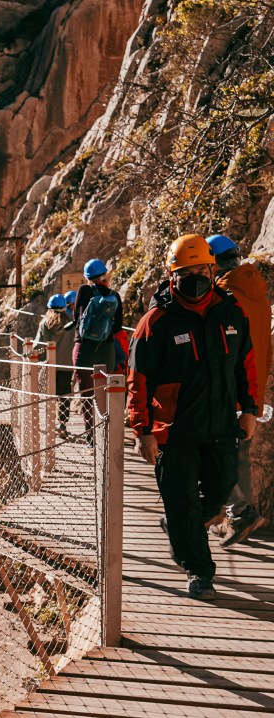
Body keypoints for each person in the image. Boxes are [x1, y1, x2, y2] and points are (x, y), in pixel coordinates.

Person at [128, 233, 259, 599]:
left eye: (201, 269)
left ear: (213, 269)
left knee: (221, 488)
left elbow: (245, 365)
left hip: (221, 426)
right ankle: (199, 571)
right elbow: (138, 380)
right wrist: (143, 431)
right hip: (173, 432)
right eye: (187, 271)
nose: (195, 277)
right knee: (181, 499)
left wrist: (249, 410)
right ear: (172, 276)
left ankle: (181, 526)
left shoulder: (231, 313)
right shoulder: (156, 321)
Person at [208, 233, 271, 546]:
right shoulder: (258, 292)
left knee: (215, 455)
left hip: (230, 389)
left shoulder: (225, 296)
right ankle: (235, 518)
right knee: (239, 454)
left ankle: (238, 513)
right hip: (253, 388)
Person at [71, 259, 123, 440]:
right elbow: (118, 328)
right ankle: (107, 434)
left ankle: (91, 436)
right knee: (105, 392)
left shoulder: (84, 291)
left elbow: (77, 317)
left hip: (84, 349)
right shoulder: (114, 296)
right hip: (106, 349)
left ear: (87, 277)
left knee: (86, 394)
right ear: (105, 275)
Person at [33, 293, 75, 436]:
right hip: (67, 365)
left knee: (50, 395)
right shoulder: (71, 323)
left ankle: (49, 423)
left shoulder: (45, 324)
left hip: (50, 365)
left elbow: (37, 345)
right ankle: (62, 424)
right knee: (64, 395)